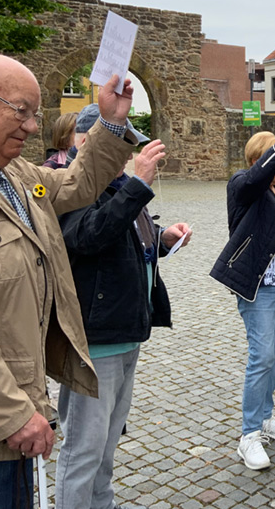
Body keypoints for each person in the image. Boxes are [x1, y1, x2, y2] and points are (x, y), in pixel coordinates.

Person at [0, 55, 138, 508]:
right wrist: (11, 415)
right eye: (20, 111)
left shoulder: (10, 174)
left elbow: (75, 186)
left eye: (35, 113)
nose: (31, 127)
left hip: (6, 417)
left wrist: (109, 123)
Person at [55, 105, 191, 509]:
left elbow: (124, 235)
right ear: (87, 142)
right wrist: (139, 184)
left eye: (130, 144)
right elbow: (88, 236)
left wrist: (161, 239)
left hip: (125, 332)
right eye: (121, 143)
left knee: (107, 447)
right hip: (95, 341)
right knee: (84, 451)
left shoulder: (116, 185)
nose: (128, 153)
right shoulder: (70, 184)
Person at [209, 111, 275, 471]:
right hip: (259, 286)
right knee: (262, 356)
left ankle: (265, 417)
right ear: (259, 159)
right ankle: (249, 435)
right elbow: (253, 181)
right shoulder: (243, 185)